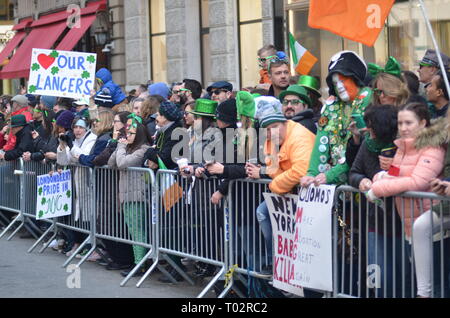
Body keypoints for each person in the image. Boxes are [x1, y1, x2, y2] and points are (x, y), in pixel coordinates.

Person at [366, 103, 446, 297]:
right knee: (421, 280)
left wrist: (378, 188)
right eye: (400, 123)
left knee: (436, 284)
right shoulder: (402, 148)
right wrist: (380, 178)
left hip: (434, 225)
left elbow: (418, 181)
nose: (403, 127)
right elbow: (393, 174)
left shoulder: (433, 147)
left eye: (409, 122)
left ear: (423, 123)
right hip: (410, 224)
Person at [246, 97, 315, 274]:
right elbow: (273, 167)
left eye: (275, 127)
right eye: (267, 130)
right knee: (262, 212)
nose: (271, 133)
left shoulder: (299, 136)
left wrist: (276, 185)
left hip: (307, 193)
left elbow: (300, 170)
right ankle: (277, 260)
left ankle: (292, 266)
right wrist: (277, 180)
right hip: (288, 191)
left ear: (284, 123)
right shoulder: (270, 140)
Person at [348, 104, 401, 298]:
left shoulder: (402, 145)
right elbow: (353, 172)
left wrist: (395, 167)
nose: (367, 129)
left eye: (371, 125)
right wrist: (360, 180)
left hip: (401, 222)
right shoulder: (367, 144)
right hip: (375, 222)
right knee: (378, 277)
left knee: (402, 277)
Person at [301, 51, 373, 188]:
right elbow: (320, 143)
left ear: (355, 77)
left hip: (361, 182)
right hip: (335, 189)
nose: (339, 86)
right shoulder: (331, 106)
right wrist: (311, 174)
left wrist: (330, 175)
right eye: (335, 83)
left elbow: (358, 148)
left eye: (343, 80)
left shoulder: (368, 99)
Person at [107, 121, 151, 277]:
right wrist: (120, 145)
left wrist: (121, 147)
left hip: (137, 196)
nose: (128, 136)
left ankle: (140, 264)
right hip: (126, 195)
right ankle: (139, 261)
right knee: (133, 230)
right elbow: (112, 163)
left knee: (138, 230)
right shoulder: (127, 148)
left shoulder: (144, 149)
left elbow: (123, 163)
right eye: (127, 133)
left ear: (138, 134)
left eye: (131, 133)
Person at [142, 101, 184, 170]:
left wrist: (150, 150)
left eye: (158, 115)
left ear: (164, 117)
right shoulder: (163, 131)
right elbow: (154, 157)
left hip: (171, 178)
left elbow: (164, 159)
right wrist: (148, 161)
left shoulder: (176, 134)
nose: (156, 118)